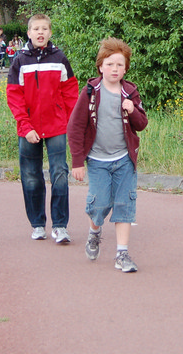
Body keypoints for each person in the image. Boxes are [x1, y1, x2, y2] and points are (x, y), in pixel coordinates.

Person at [69, 38, 148, 272]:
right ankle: (94, 232)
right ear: (100, 66)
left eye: (120, 65)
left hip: (124, 160)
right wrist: (77, 162)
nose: (115, 69)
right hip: (97, 160)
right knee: (100, 204)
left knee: (124, 205)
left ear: (125, 69)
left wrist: (132, 110)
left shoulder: (130, 92)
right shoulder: (90, 92)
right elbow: (75, 127)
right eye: (110, 64)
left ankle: (122, 254)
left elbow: (142, 124)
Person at [6, 14, 79, 243]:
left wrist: (70, 122)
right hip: (28, 128)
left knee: (60, 173)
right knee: (31, 176)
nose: (40, 32)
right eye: (36, 29)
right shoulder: (19, 61)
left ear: (50, 33)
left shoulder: (60, 58)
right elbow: (14, 96)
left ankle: (60, 226)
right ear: (28, 33)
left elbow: (70, 92)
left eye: (44, 29)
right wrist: (25, 126)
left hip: (56, 125)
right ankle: (37, 224)